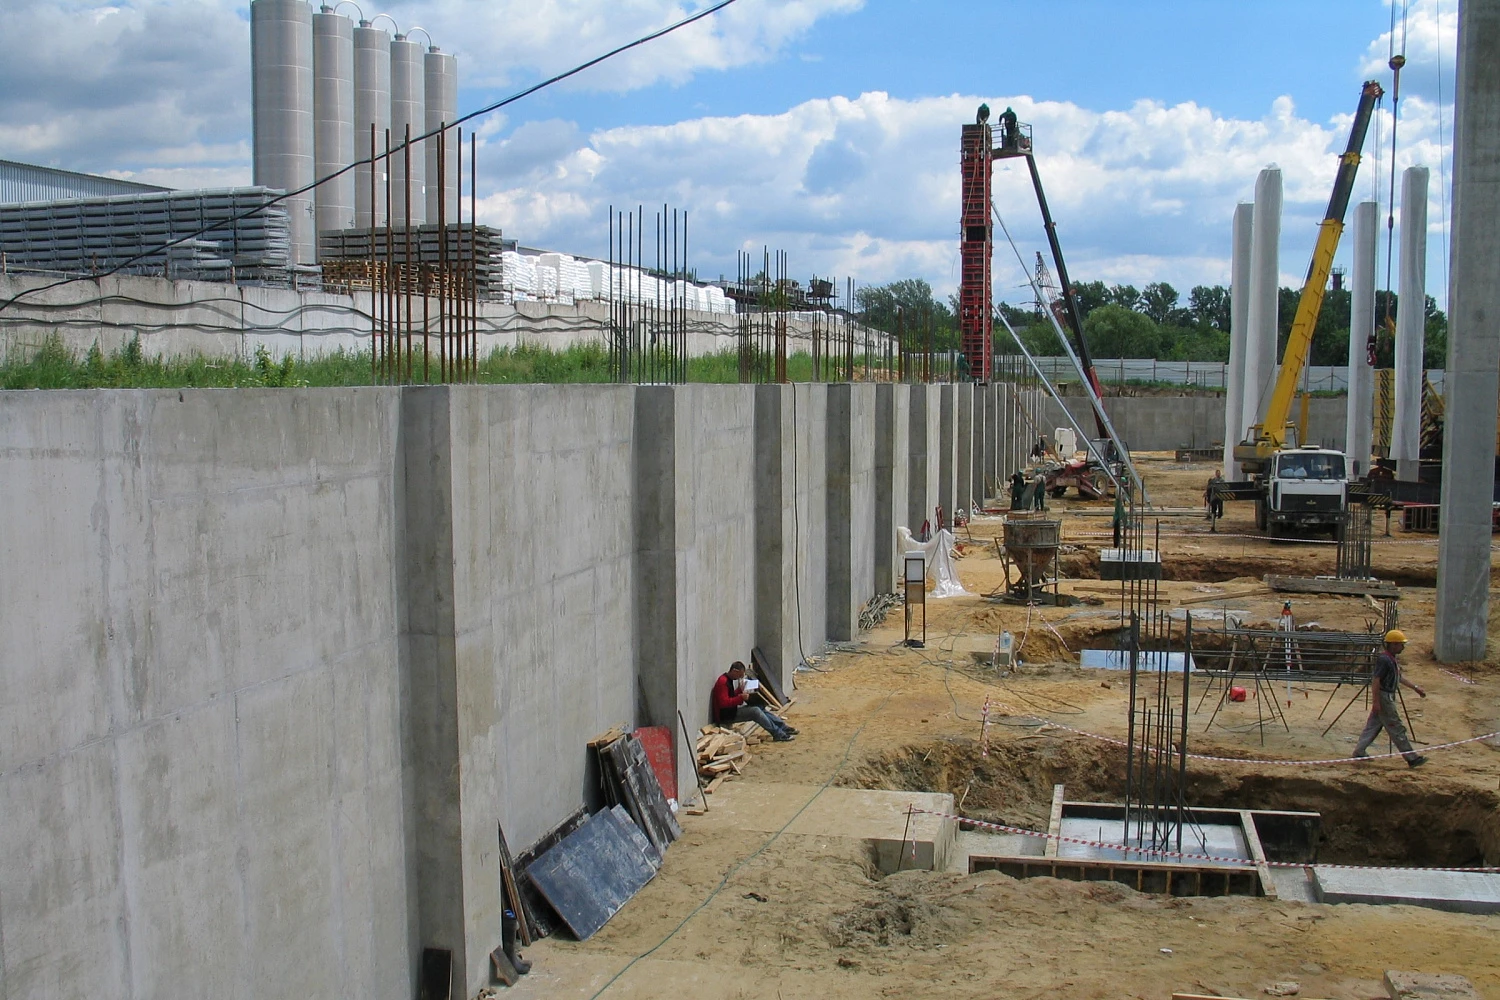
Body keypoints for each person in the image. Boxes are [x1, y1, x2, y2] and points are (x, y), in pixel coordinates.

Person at [1353, 629, 1427, 766]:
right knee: (1396, 727)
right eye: (1400, 644)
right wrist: (1376, 702)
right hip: (1384, 698)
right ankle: (1411, 758)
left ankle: (1359, 752)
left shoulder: (1391, 659)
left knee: (1373, 726)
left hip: (1386, 697)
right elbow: (1376, 681)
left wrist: (1416, 688)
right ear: (1393, 645)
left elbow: (1399, 678)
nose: (1403, 647)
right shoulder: (1384, 660)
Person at [712, 661, 796, 741]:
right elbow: (723, 703)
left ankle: (783, 727)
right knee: (755, 711)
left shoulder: (728, 680)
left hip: (730, 712)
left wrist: (739, 690)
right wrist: (741, 698)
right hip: (725, 716)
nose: (740, 678)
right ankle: (778, 734)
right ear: (734, 671)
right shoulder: (723, 682)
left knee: (760, 707)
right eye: (740, 675)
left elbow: (730, 696)